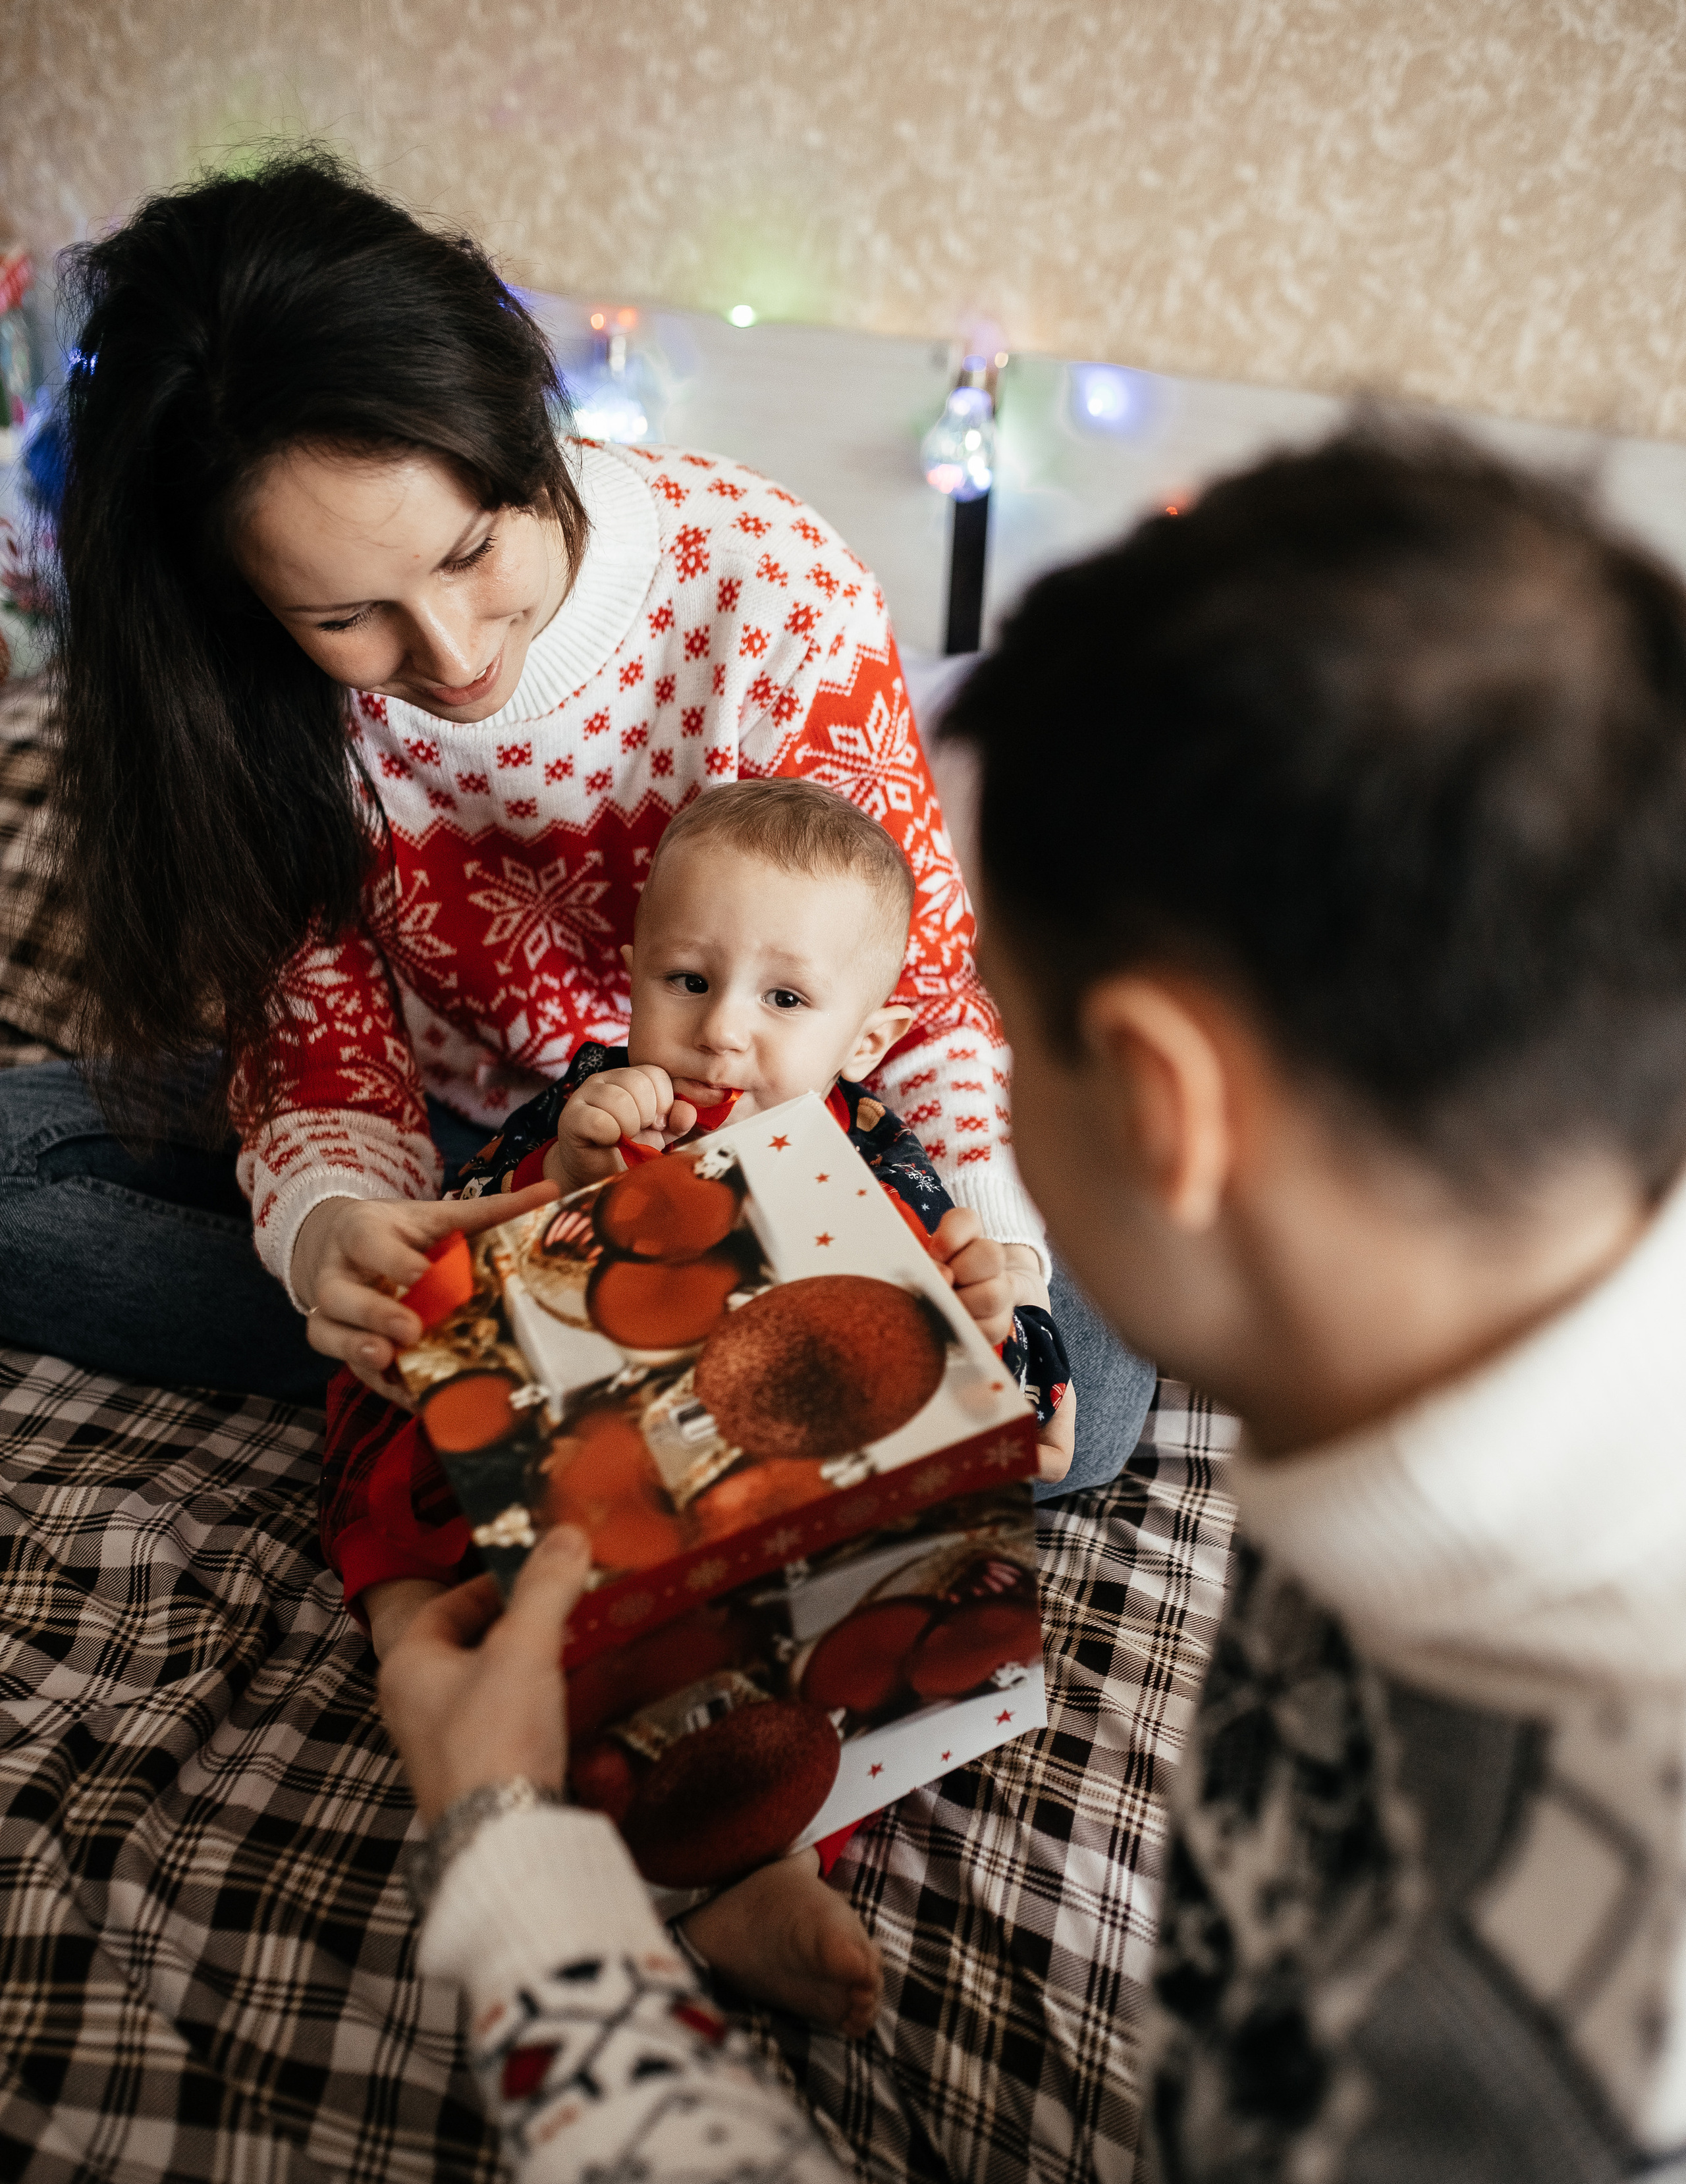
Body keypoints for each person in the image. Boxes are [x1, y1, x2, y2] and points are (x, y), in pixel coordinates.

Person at [14, 425, 1686, 2184]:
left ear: (1158, 1104)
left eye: (996, 1009)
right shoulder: (1518, 1353)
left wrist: (516, 1862)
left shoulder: (1549, 2041)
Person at [0, 148, 1153, 1493]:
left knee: (1077, 1393)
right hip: (480, 1152)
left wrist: (988, 1258)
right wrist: (333, 1232)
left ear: (519, 430)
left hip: (799, 1146)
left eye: (470, 551)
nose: (445, 651)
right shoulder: (242, 696)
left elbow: (919, 1000)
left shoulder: (771, 593)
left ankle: (538, 1363)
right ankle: (632, 1365)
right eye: (342, 618)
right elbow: (311, 1034)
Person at [325, 774, 1077, 2035]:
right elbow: (485, 1252)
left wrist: (1013, 1357)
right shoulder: (602, 1102)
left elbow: (977, 1293)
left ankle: (760, 1871)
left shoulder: (878, 1149)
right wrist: (575, 1165)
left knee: (824, 1630)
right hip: (559, 1449)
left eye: (785, 1000)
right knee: (406, 1490)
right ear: (632, 975)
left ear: (869, 1034)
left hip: (747, 1472)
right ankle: (429, 1667)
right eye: (688, 980)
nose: (724, 1031)